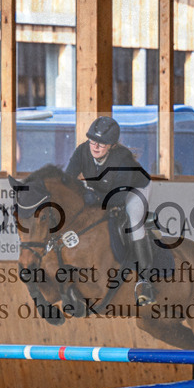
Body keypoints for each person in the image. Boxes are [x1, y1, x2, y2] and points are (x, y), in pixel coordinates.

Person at [65, 116, 156, 306]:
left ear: (112, 145)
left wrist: (95, 198)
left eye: (102, 143)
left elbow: (118, 198)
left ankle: (145, 281)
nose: (95, 147)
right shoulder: (82, 151)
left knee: (134, 223)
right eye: (92, 141)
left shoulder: (122, 159)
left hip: (134, 190)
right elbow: (68, 180)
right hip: (102, 191)